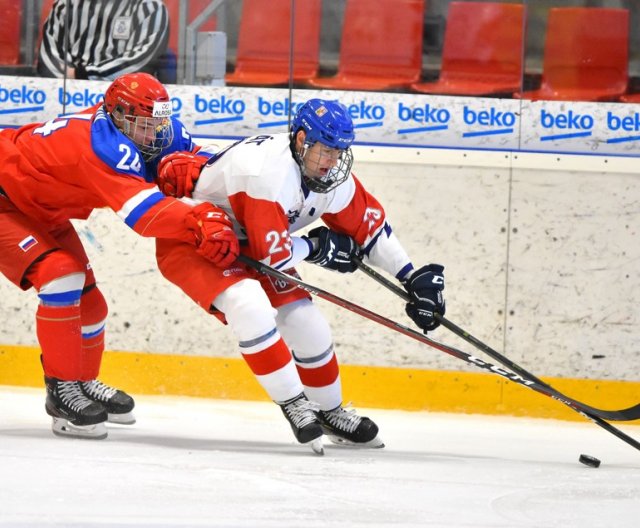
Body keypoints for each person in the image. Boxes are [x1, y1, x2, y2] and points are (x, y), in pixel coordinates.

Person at [154, 98, 446, 452]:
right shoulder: (265, 174)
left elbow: (370, 228)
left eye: (339, 152)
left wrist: (411, 276)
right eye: (325, 150)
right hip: (197, 242)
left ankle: (329, 411)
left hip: (256, 243)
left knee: (309, 325)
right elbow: (271, 255)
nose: (333, 162)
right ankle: (295, 403)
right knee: (249, 307)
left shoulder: (329, 177)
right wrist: (316, 248)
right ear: (301, 139)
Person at [0, 72, 238, 440]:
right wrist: (197, 219)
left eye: (158, 122)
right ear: (121, 116)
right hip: (5, 200)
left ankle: (82, 381)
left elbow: (204, 160)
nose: (155, 133)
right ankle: (62, 393)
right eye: (145, 124)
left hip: (42, 207)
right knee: (61, 275)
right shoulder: (99, 146)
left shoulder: (151, 128)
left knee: (91, 304)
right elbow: (143, 216)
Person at [37, 0, 173, 81]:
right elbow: (50, 55)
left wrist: (83, 74)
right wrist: (69, 81)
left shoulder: (150, 7)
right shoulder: (66, 4)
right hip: (70, 94)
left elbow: (141, 62)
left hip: (125, 98)